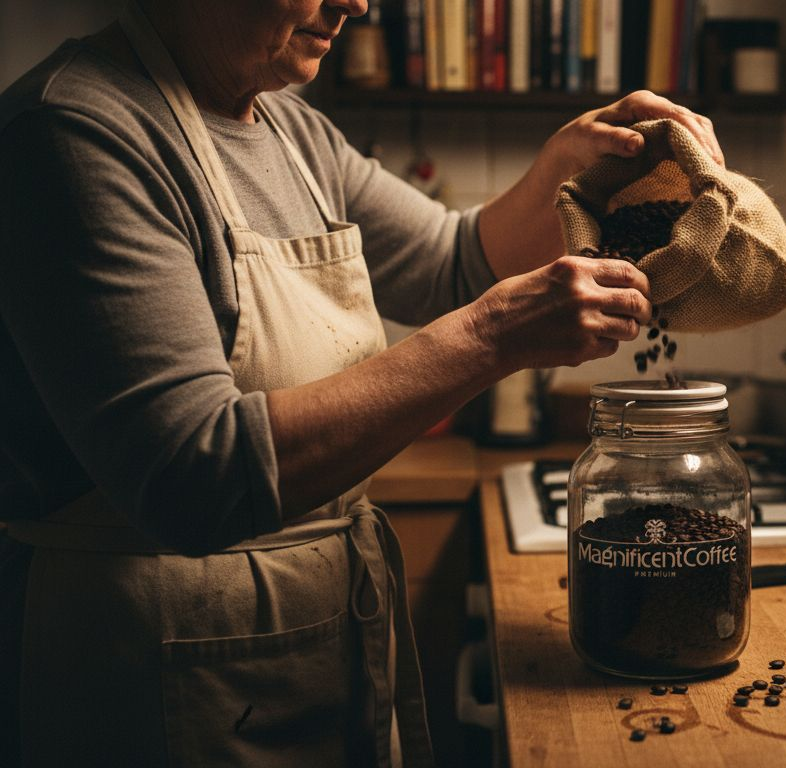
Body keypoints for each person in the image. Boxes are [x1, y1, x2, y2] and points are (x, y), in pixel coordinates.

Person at [0, 0, 723, 764]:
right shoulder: (73, 134)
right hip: (154, 681)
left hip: (319, 648)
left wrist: (566, 168)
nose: (358, 3)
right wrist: (491, 337)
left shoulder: (294, 131)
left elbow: (452, 263)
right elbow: (191, 474)